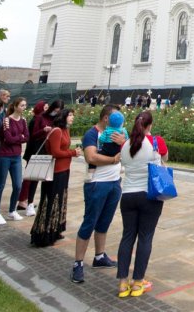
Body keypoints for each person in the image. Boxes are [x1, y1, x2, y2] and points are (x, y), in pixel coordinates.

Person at [71, 108, 127, 283]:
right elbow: (91, 157)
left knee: (104, 222)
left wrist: (124, 142)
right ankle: (78, 263)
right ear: (106, 118)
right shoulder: (92, 134)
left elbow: (130, 151)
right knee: (90, 222)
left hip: (114, 182)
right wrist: (113, 159)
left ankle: (99, 256)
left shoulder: (118, 134)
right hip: (97, 183)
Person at [116, 110, 164, 298]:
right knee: (145, 238)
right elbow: (161, 166)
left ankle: (122, 283)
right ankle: (137, 283)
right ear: (149, 126)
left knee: (127, 237)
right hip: (148, 197)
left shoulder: (125, 145)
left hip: (128, 196)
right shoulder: (153, 143)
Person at [31, 108, 80, 247]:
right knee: (51, 200)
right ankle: (44, 232)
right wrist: (73, 153)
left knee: (60, 200)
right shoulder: (57, 130)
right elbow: (55, 152)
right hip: (55, 171)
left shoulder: (66, 130)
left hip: (65, 169)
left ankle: (55, 228)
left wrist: (71, 153)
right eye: (70, 115)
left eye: (73, 115)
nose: (72, 117)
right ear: (63, 116)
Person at [0, 97, 30, 224]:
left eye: (25, 105)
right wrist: (20, 137)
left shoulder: (23, 120)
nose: (24, 108)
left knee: (18, 185)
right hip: (5, 155)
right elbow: (8, 139)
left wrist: (18, 138)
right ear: (16, 106)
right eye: (22, 105)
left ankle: (12, 210)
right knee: (0, 185)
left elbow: (27, 137)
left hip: (16, 156)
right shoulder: (7, 120)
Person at [18, 100, 55, 216]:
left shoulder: (45, 118)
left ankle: (26, 199)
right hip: (35, 150)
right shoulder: (36, 119)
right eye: (45, 107)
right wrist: (44, 131)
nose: (47, 109)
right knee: (30, 176)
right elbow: (33, 135)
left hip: (39, 150)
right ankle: (23, 200)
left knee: (34, 176)